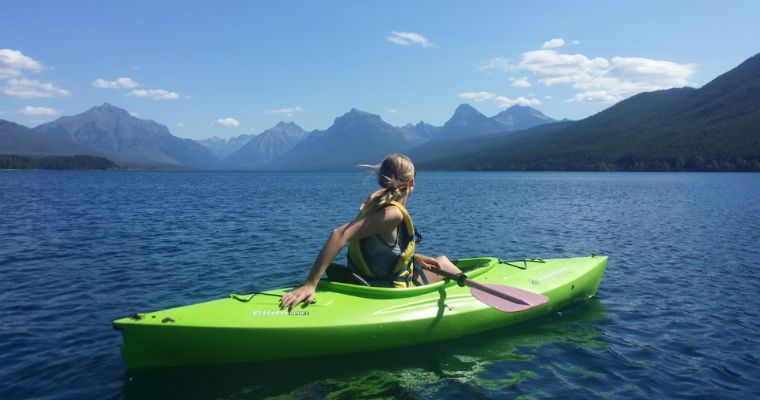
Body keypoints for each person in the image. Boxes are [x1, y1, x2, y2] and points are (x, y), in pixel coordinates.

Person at [279, 153, 462, 309]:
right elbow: (339, 235)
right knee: (443, 263)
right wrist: (310, 284)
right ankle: (470, 305)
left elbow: (378, 251)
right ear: (412, 182)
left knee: (436, 263)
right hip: (384, 292)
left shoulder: (374, 205)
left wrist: (413, 258)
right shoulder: (393, 214)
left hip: (371, 280)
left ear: (380, 179)